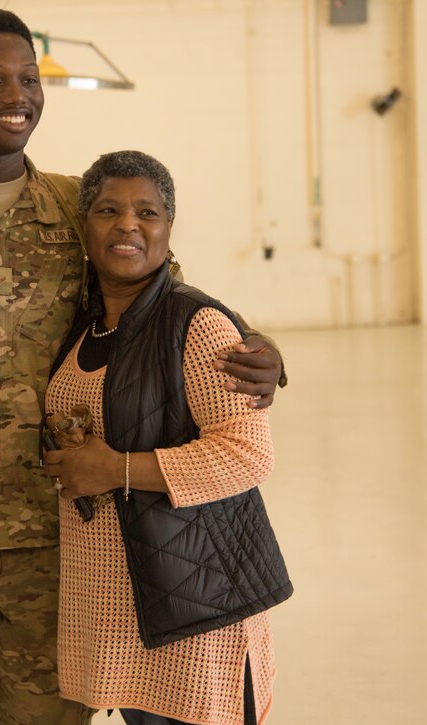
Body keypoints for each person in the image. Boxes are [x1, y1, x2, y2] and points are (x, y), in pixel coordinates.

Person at [0, 8, 286, 724]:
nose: (17, 95)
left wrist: (259, 344)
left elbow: (166, 293)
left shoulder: (77, 207)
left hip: (59, 537)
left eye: (30, 78)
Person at [43, 150, 291, 725]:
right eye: (108, 210)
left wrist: (116, 469)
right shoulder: (85, 323)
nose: (128, 224)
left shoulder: (196, 323)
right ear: (86, 227)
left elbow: (248, 454)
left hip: (197, 602)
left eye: (147, 212)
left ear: (168, 229)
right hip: (124, 607)